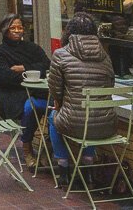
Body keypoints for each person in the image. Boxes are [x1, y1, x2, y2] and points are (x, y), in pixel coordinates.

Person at [47, 12, 114, 180]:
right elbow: (110, 84)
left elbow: (55, 90)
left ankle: (63, 167)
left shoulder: (60, 55)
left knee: (53, 118)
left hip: (74, 123)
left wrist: (60, 104)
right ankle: (88, 165)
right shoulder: (105, 55)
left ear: (68, 32)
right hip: (108, 124)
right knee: (90, 117)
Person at [0, 14, 51, 156]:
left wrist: (24, 68)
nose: (17, 31)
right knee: (30, 108)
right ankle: (27, 146)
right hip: (13, 95)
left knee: (55, 110)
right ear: (5, 30)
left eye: (20, 27)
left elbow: (47, 65)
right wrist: (34, 71)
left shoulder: (32, 48)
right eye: (13, 28)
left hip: (39, 92)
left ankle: (49, 148)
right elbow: (5, 78)